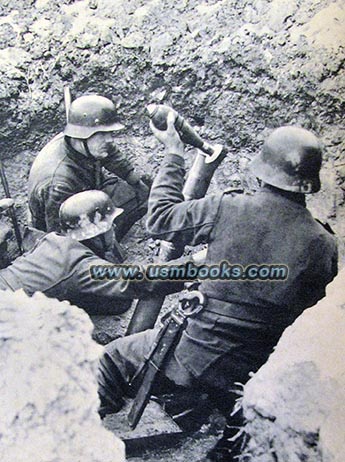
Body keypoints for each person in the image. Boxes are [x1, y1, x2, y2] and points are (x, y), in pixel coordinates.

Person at [97, 114, 338, 461]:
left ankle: (77, 438)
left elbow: (160, 219)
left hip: (191, 356)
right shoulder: (323, 244)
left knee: (113, 358)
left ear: (262, 170)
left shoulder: (230, 208)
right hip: (251, 376)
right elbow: (310, 318)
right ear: (309, 182)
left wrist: (173, 154)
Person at [0, 190, 181, 315]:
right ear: (96, 235)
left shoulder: (51, 240)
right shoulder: (78, 265)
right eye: (109, 225)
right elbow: (138, 281)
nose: (115, 226)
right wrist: (198, 266)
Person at [28, 94, 150, 241]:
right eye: (103, 135)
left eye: (110, 133)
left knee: (141, 192)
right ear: (81, 135)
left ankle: (109, 238)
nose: (110, 139)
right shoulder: (58, 184)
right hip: (65, 225)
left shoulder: (83, 142)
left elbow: (111, 154)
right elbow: (58, 239)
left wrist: (136, 181)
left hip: (87, 194)